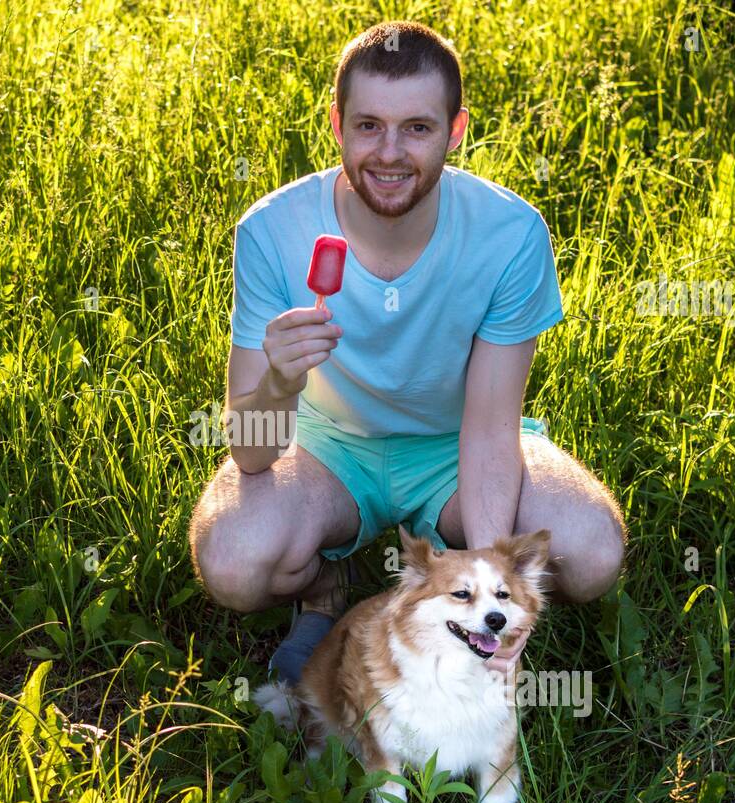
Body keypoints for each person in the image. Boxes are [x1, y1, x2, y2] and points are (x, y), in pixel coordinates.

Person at [188, 20, 626, 686]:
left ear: (456, 131)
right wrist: (278, 380)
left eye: (417, 129)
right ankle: (325, 586)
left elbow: (487, 427)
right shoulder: (273, 231)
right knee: (234, 563)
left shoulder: (508, 235)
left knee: (592, 556)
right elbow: (251, 453)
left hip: (454, 448)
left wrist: (490, 602)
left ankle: (444, 595)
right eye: (368, 126)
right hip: (324, 448)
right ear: (336, 124)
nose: (389, 153)